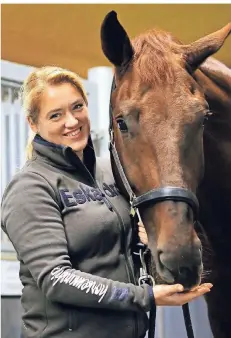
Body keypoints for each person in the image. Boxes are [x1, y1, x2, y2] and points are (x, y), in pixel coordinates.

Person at [1, 66, 212, 338]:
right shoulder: (30, 188)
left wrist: (155, 249)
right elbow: (56, 278)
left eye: (77, 107)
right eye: (56, 115)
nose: (72, 121)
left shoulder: (110, 172)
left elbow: (124, 252)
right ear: (33, 123)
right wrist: (144, 296)